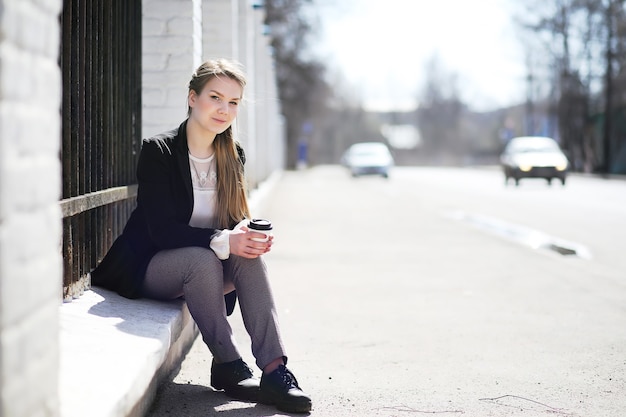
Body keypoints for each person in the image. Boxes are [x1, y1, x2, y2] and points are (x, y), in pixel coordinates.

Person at [90, 58, 312, 414]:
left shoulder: (232, 154)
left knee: (244, 255)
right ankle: (228, 364)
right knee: (203, 257)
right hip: (154, 267)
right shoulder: (158, 151)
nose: (224, 110)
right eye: (215, 97)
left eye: (234, 102)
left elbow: (233, 221)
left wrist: (247, 237)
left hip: (207, 269)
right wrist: (224, 241)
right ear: (192, 98)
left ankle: (275, 371)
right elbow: (162, 231)